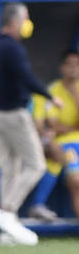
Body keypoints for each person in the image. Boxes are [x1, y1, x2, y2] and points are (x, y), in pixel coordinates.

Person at [0, 3, 52, 244]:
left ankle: (6, 231)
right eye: (26, 18)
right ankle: (7, 211)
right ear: (15, 22)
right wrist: (49, 95)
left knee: (9, 169)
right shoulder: (12, 48)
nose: (27, 23)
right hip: (13, 114)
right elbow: (27, 78)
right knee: (36, 165)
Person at [36, 48, 79, 218]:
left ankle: (37, 204)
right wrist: (75, 128)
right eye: (69, 64)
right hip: (64, 144)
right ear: (61, 67)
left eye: (77, 65)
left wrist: (74, 94)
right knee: (76, 180)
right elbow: (55, 126)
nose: (73, 69)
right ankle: (37, 204)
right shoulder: (52, 91)